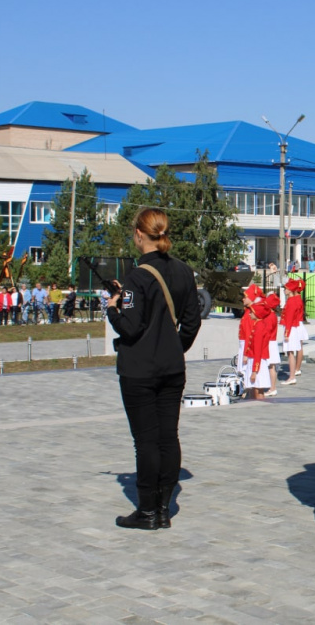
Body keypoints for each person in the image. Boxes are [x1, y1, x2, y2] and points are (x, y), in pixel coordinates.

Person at [106, 207, 201, 531]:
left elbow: (130, 328)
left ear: (138, 234)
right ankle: (163, 508)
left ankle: (147, 511)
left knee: (146, 441)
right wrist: (174, 348)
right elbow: (191, 322)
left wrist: (113, 309)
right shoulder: (183, 271)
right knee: (168, 437)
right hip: (172, 368)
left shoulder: (137, 276)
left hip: (139, 369)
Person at [281, 279, 307, 384]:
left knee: (291, 351)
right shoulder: (294, 299)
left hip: (292, 327)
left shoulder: (292, 301)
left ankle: (292, 375)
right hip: (294, 326)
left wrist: (287, 333)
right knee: (293, 350)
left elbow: (289, 318)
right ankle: (294, 372)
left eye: (286, 288)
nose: (285, 290)